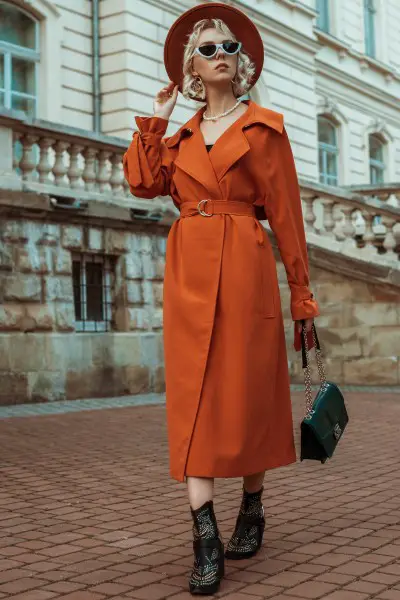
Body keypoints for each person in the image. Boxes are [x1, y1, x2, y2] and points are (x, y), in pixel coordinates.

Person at [123, 2, 319, 595]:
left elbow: (286, 217)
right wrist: (154, 122)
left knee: (248, 395)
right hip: (188, 272)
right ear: (191, 67)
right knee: (195, 401)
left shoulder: (265, 129)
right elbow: (143, 183)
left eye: (229, 48)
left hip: (246, 267)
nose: (220, 57)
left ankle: (252, 505)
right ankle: (204, 538)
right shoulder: (177, 137)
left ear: (243, 64)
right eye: (207, 49)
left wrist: (302, 297)